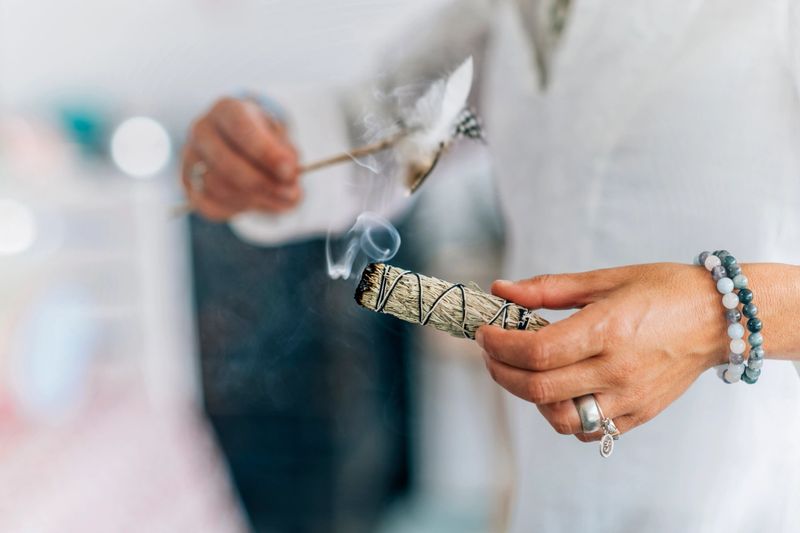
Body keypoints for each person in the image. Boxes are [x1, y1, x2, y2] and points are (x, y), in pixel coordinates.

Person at [182, 1, 800, 531]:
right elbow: (384, 131)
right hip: (554, 479)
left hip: (752, 494)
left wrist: (719, 315)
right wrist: (265, 149)